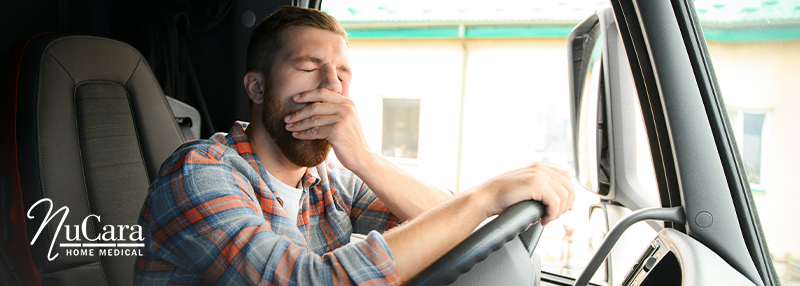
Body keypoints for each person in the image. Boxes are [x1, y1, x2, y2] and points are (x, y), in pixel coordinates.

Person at [134, 6, 575, 285]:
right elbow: (305, 281)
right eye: (309, 67)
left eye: (343, 74)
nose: (332, 86)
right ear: (257, 87)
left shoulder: (326, 180)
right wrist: (485, 196)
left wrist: (364, 159)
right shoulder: (198, 172)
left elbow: (446, 222)